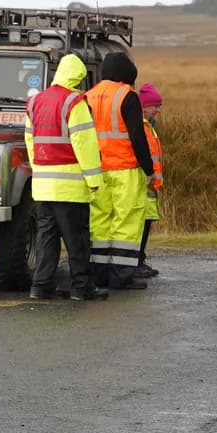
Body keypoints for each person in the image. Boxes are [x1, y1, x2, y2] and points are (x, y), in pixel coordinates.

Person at [24, 53, 105, 300]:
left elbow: (30, 140)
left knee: (46, 239)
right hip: (70, 188)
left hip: (42, 187)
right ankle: (82, 288)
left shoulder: (35, 101)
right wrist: (94, 181)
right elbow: (85, 144)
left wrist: (39, 169)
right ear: (78, 77)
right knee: (76, 241)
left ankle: (40, 286)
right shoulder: (74, 102)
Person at [84, 51, 156, 291]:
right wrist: (149, 169)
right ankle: (121, 276)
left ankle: (99, 275)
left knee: (100, 221)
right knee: (126, 222)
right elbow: (138, 137)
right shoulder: (127, 96)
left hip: (96, 171)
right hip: (125, 169)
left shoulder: (88, 96)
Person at [135, 82, 164, 280]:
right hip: (143, 186)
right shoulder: (142, 127)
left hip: (150, 187)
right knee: (140, 226)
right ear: (145, 106)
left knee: (145, 224)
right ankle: (137, 261)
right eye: (155, 106)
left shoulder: (148, 127)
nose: (157, 111)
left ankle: (140, 260)